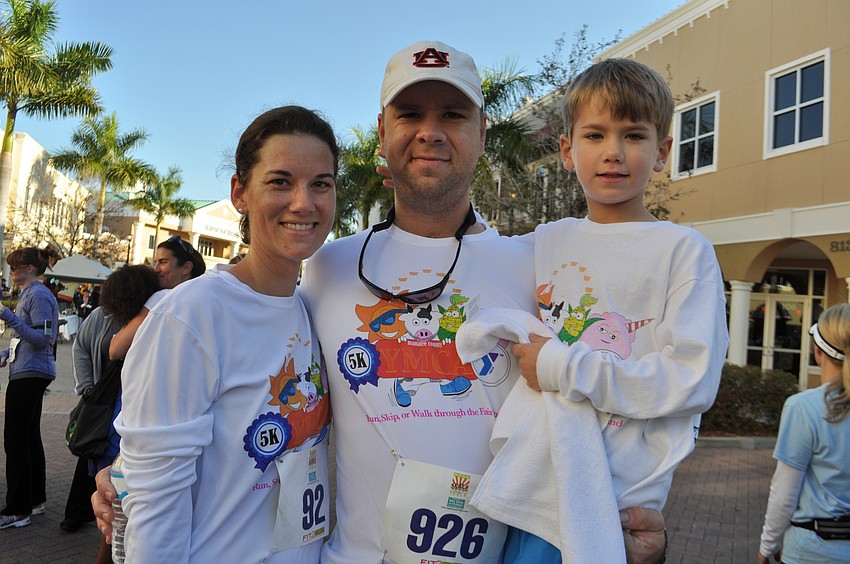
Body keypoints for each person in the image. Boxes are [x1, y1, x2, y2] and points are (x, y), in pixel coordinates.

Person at [300, 41, 666, 563]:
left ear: (482, 134)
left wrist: (637, 527)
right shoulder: (327, 269)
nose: (430, 131)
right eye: (409, 114)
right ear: (383, 133)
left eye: (453, 115)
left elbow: (611, 399)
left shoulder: (540, 268)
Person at [454, 58, 727, 562]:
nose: (613, 153)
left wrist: (561, 366)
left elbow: (693, 377)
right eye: (596, 135)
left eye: (635, 136)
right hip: (532, 479)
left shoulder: (683, 250)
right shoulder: (546, 241)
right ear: (567, 149)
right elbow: (470, 250)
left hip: (615, 497)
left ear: (664, 151)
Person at [95, 106, 335, 562]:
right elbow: (155, 508)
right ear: (239, 193)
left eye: (321, 183)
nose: (304, 203)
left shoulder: (309, 309)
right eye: (280, 181)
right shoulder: (191, 314)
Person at [60, 265, 160, 540]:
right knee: (91, 456)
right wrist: (87, 388)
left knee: (107, 462)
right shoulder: (102, 317)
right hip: (102, 400)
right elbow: (82, 347)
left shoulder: (150, 318)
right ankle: (77, 516)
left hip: (128, 404)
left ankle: (98, 523)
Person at [758, 303, 850, 563]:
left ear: (818, 352)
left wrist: (768, 544)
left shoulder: (803, 407)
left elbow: (785, 491)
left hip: (812, 549)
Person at [0, 247, 60, 529]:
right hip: (29, 369)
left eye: (16, 266)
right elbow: (33, 337)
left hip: (30, 373)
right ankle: (34, 500)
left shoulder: (38, 295)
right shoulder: (32, 294)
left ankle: (17, 508)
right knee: (28, 437)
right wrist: (7, 352)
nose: (12, 271)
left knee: (15, 440)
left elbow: (43, 338)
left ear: (31, 269)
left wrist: (7, 317)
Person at [107, 235, 205, 361]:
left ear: (186, 268)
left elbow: (115, 350)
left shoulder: (162, 298)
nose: (156, 269)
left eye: (163, 262)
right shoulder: (202, 300)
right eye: (156, 262)